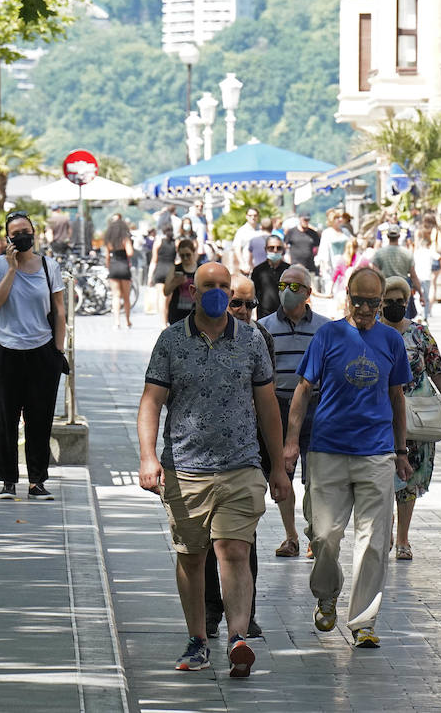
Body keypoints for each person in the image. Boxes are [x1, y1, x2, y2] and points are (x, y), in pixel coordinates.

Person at [137, 262, 291, 677]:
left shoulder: (252, 341)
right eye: (211, 286)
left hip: (240, 466)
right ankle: (198, 639)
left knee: (234, 550)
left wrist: (278, 466)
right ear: (193, 290)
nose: (218, 293)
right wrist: (148, 457)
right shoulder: (171, 341)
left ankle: (238, 636)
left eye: (225, 286)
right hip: (185, 468)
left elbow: (266, 407)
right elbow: (151, 401)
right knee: (191, 557)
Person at [282, 266, 413, 648]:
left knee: (374, 541)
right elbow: (303, 390)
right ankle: (326, 594)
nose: (367, 308)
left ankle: (363, 622)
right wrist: (292, 442)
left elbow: (397, 397)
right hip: (327, 450)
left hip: (376, 452)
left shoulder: (391, 341)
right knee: (324, 535)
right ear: (347, 297)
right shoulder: (328, 335)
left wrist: (401, 450)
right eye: (360, 300)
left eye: (374, 302)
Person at [202, 274, 274, 641]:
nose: (244, 312)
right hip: (201, 459)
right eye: (237, 304)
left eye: (250, 305)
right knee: (206, 543)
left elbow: (267, 401)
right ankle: (210, 612)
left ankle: (245, 616)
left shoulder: (261, 340)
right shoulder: (198, 337)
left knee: (244, 541)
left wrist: (275, 461)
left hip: (248, 458)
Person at [0, 210, 67, 501]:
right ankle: (7, 481)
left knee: (40, 419)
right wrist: (10, 268)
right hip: (3, 350)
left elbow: (59, 310)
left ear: (35, 233)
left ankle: (37, 481)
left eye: (26, 231)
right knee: (5, 418)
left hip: (41, 351)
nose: (22, 237)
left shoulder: (49, 266)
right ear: (7, 237)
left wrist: (58, 350)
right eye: (15, 232)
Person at [381, 277, 441, 561]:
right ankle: (384, 527)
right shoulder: (371, 333)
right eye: (388, 302)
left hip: (417, 419)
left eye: (400, 302)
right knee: (381, 476)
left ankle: (403, 538)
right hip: (380, 418)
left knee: (409, 477)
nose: (395, 306)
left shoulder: (420, 335)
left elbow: (438, 370)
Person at [258, 266, 330, 557]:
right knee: (281, 473)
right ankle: (290, 536)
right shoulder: (263, 327)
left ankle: (314, 533)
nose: (288, 291)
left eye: (295, 286)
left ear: (309, 293)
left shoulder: (325, 328)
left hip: (316, 407)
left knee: (316, 476)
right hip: (276, 407)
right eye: (283, 285)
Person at [371, 225, 422, 317]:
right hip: (403, 286)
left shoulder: (379, 253)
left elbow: (374, 271)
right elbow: (413, 276)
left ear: (387, 236)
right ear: (399, 236)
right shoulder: (407, 253)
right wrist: (421, 294)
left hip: (386, 286)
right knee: (404, 315)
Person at [103, 212, 134, 329]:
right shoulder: (124, 238)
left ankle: (116, 322)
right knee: (126, 296)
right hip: (124, 266)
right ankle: (127, 321)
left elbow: (107, 256)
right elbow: (130, 252)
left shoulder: (109, 240)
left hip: (114, 266)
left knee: (115, 296)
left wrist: (108, 266)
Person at [163, 237, 201, 326]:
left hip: (196, 313)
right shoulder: (175, 268)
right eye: (182, 255)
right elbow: (166, 291)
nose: (185, 258)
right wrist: (176, 282)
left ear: (193, 252)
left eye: (188, 255)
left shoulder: (200, 269)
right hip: (177, 313)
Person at [251, 233, 290, 319]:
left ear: (283, 250)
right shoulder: (258, 270)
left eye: (278, 248)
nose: (275, 250)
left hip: (286, 317)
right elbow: (253, 295)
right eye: (271, 248)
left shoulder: (289, 270)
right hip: (264, 317)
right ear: (265, 249)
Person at [147, 224, 177, 317]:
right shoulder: (176, 243)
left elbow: (154, 260)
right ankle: (167, 317)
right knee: (168, 298)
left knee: (161, 297)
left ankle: (163, 321)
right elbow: (178, 259)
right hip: (171, 270)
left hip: (160, 270)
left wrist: (150, 276)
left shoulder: (158, 242)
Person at [412, 228, 438, 323]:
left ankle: (419, 314)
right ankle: (425, 316)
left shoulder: (416, 252)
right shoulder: (430, 251)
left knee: (417, 295)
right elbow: (439, 257)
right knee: (425, 296)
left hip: (418, 277)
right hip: (426, 277)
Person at [231, 206, 265, 272]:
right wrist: (242, 264)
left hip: (262, 266)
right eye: (250, 215)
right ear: (246, 216)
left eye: (255, 215)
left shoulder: (262, 229)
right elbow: (237, 249)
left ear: (258, 216)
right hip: (248, 267)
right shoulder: (241, 231)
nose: (253, 217)